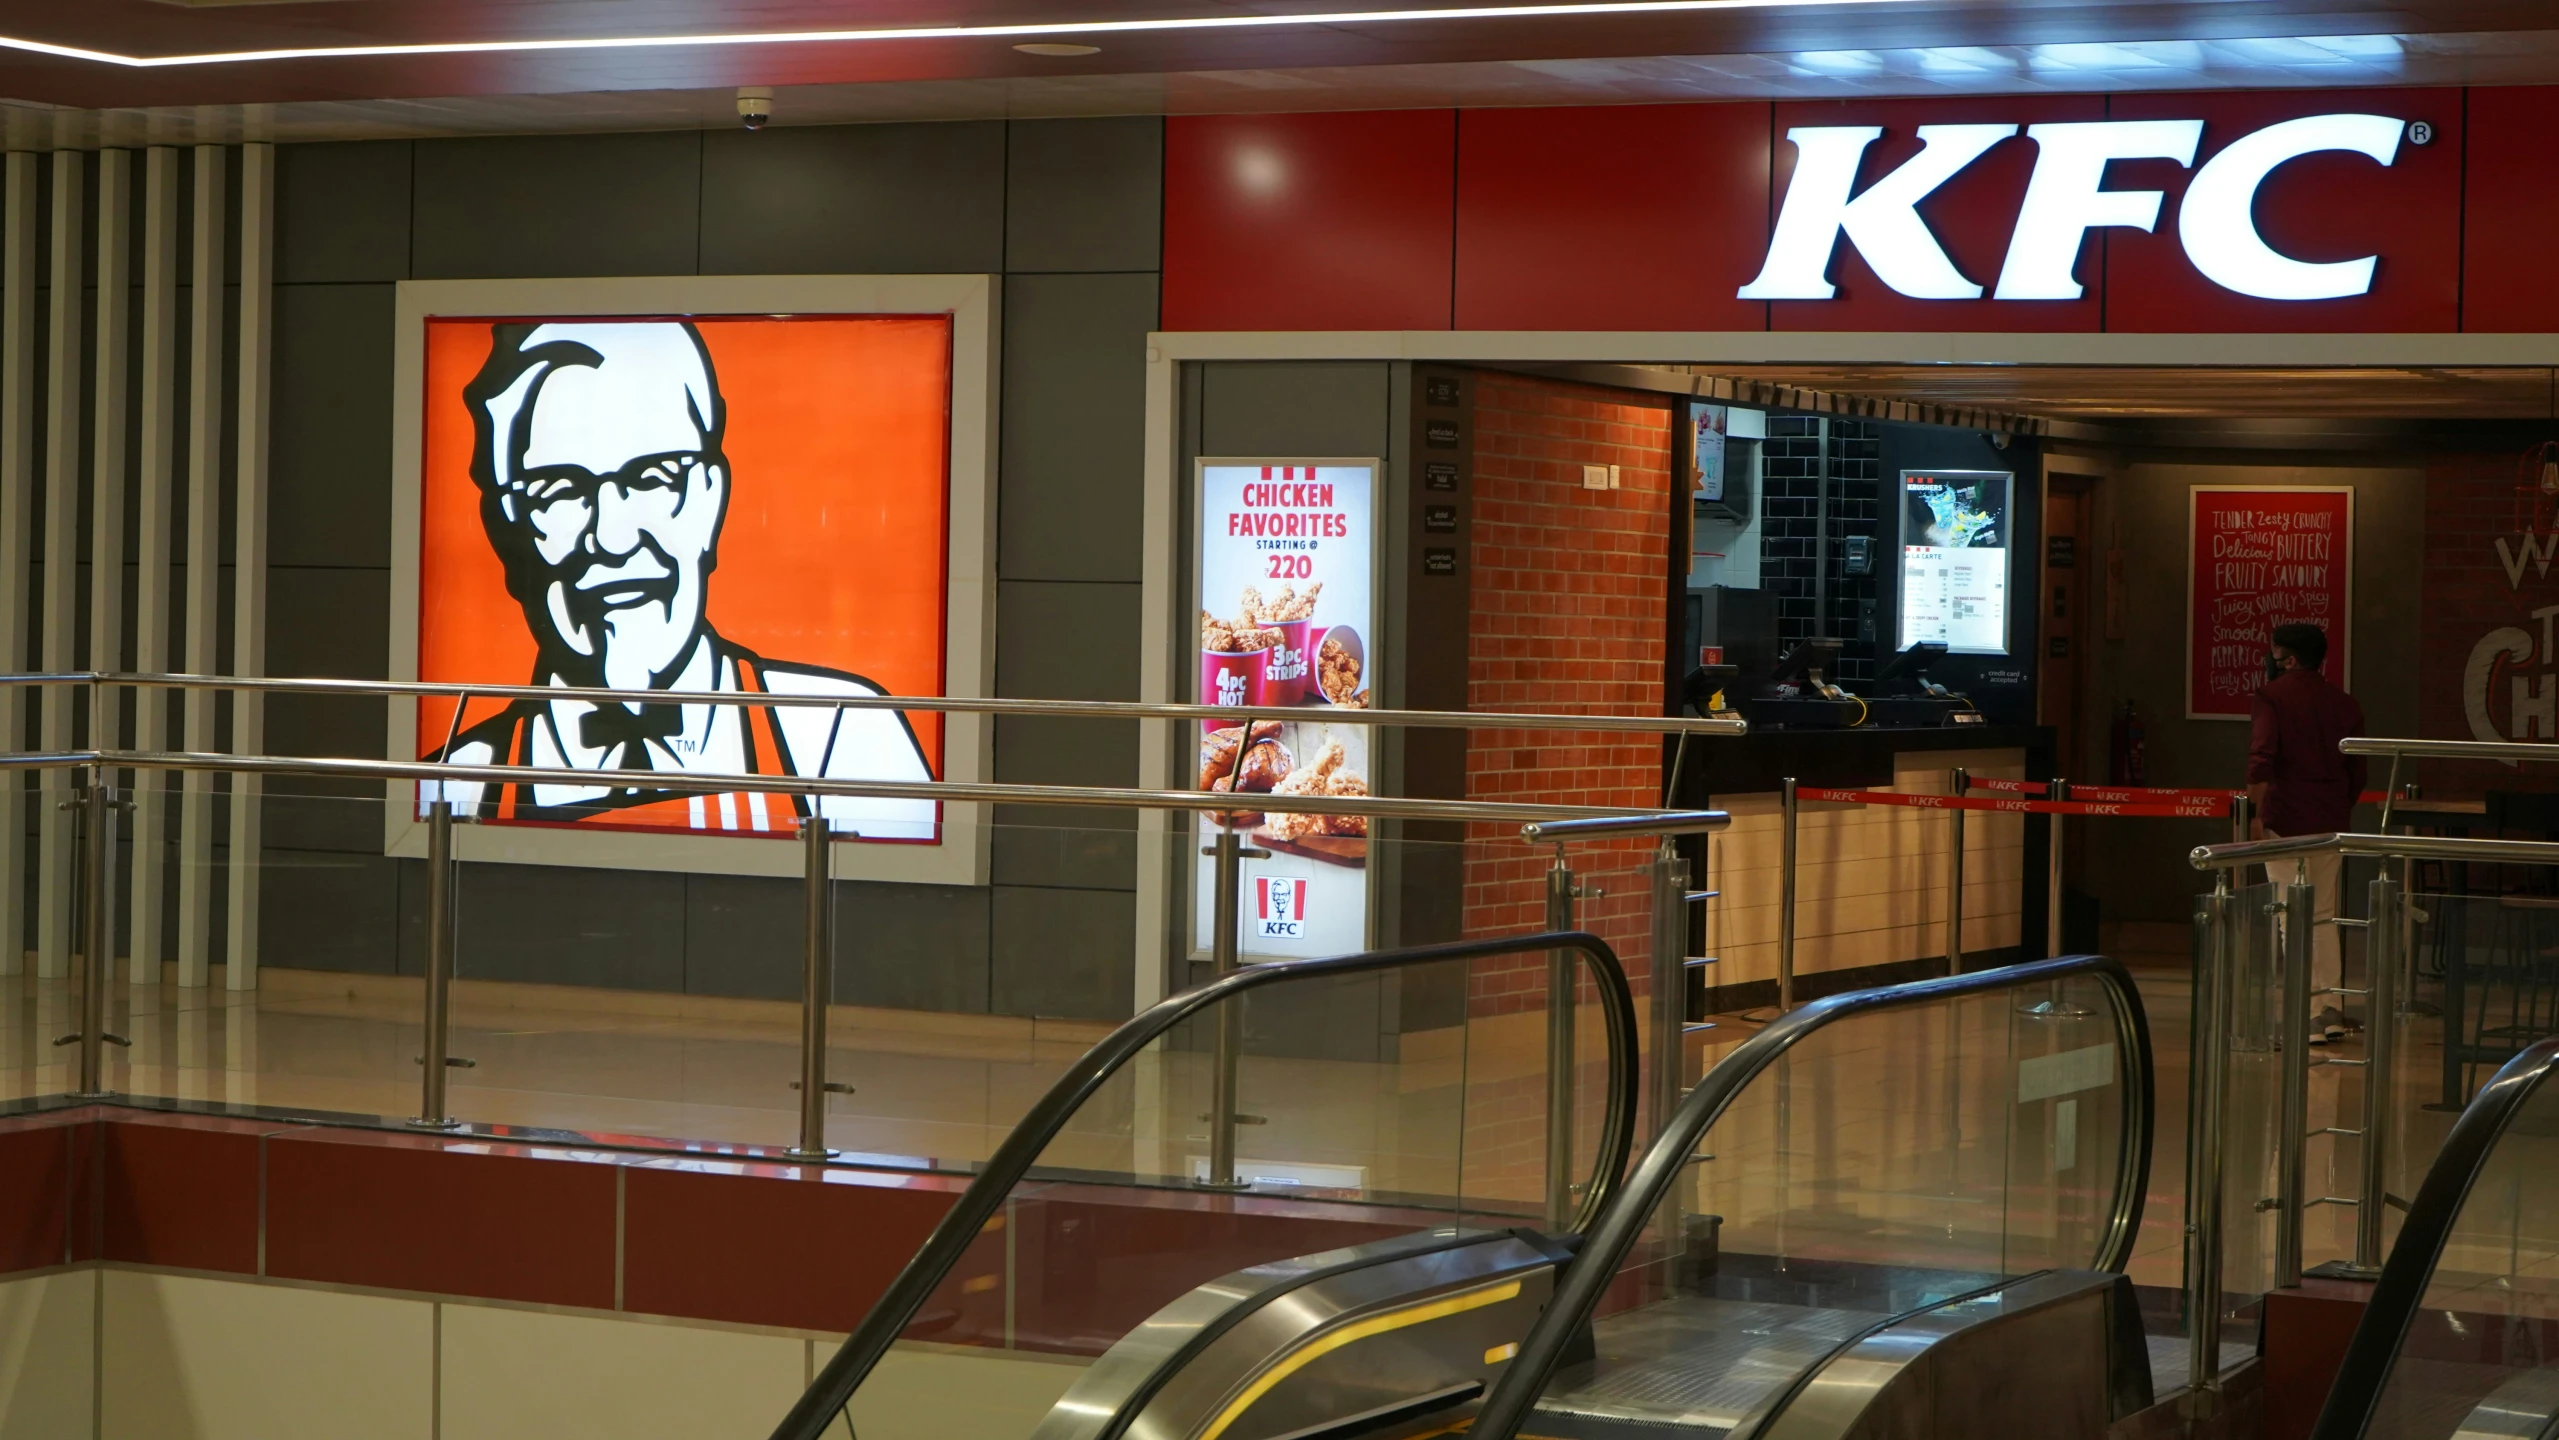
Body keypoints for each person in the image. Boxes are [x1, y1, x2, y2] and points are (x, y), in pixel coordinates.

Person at [422, 320, 936, 837]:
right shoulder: (457, 781)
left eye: (652, 479)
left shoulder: (839, 735)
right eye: (559, 490)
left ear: (712, 499)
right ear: (507, 528)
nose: (614, 539)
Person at [2247, 621, 2367, 1044]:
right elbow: (2357, 770)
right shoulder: (2345, 703)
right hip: (2331, 821)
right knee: (2323, 916)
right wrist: (2336, 808)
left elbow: (2262, 758)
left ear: (2289, 659)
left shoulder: (2271, 697)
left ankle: (2303, 1013)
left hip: (2285, 819)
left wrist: (2254, 815)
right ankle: (2328, 1009)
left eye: (2275, 652)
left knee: (2288, 916)